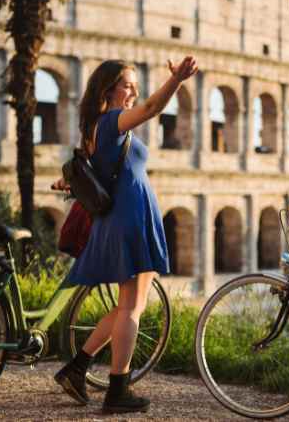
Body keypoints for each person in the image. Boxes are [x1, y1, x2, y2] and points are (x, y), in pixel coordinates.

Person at [51, 57, 198, 413]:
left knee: (126, 306)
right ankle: (118, 391)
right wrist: (176, 81)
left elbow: (92, 172)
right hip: (128, 220)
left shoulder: (94, 128)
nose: (133, 91)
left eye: (134, 84)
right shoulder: (112, 121)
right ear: (107, 89)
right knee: (131, 307)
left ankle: (77, 367)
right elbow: (151, 108)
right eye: (126, 84)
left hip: (127, 217)